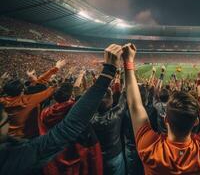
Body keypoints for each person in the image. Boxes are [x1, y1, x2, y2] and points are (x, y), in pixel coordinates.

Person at [0, 44, 122, 175]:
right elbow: (68, 125)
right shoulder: (28, 102)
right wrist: (108, 72)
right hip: (38, 144)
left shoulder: (45, 112)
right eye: (5, 119)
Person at [122, 43, 200, 174]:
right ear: (196, 122)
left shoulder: (150, 148)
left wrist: (128, 61)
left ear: (166, 120)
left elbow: (134, 105)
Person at [39, 82, 103, 175]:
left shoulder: (44, 113)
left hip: (54, 161)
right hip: (74, 162)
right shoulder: (77, 112)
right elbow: (91, 148)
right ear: (71, 95)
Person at [0, 60, 66, 138]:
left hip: (4, 136)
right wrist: (57, 68)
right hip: (21, 137)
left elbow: (39, 84)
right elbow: (48, 90)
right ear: (22, 91)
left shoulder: (2, 100)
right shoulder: (27, 101)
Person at [91, 88, 126, 175]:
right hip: (115, 155)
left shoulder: (90, 118)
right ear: (111, 101)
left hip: (98, 156)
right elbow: (124, 97)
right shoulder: (116, 114)